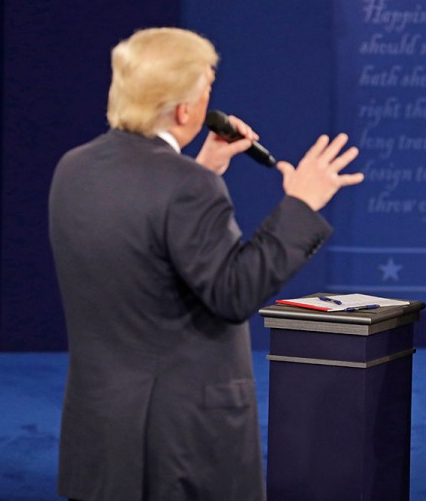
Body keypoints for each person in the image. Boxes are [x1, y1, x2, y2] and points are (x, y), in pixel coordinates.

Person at [48, 27, 364, 501]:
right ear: (184, 108)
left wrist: (201, 167)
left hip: (102, 434)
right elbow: (233, 292)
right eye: (206, 89)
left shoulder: (74, 167)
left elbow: (144, 245)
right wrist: (301, 204)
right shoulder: (186, 187)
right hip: (180, 444)